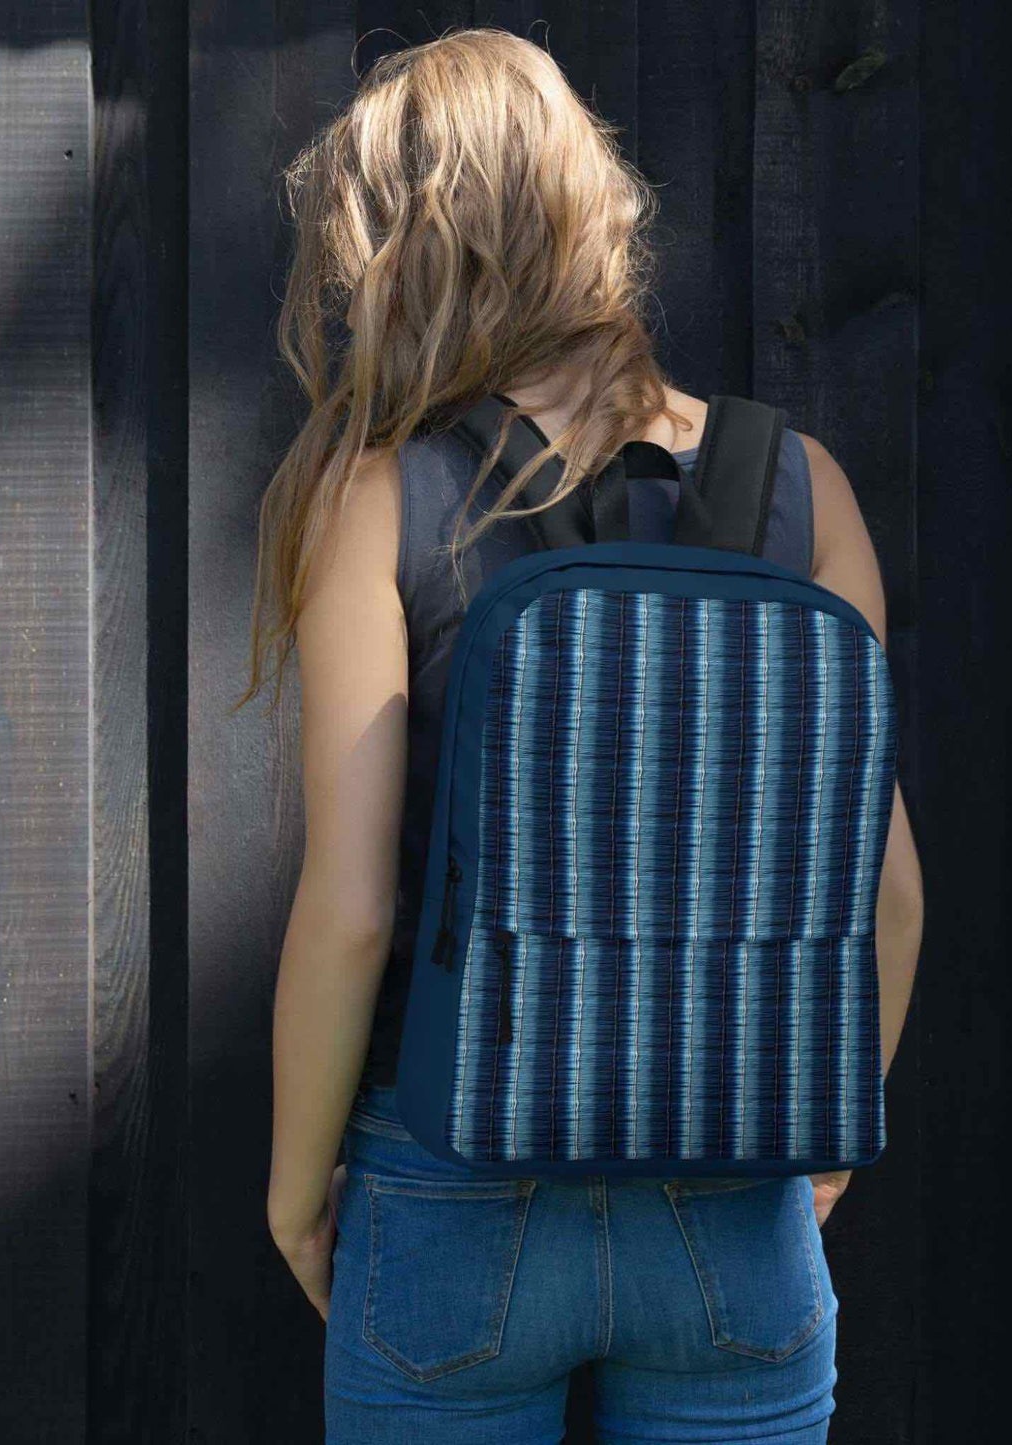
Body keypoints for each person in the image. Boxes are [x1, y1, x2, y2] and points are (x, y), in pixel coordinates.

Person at [245, 26, 924, 1444]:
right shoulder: (800, 486)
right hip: (729, 1184)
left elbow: (354, 906)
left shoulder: (380, 494)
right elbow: (890, 889)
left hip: (448, 1180)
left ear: (398, 250)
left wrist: (298, 1192)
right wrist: (821, 1149)